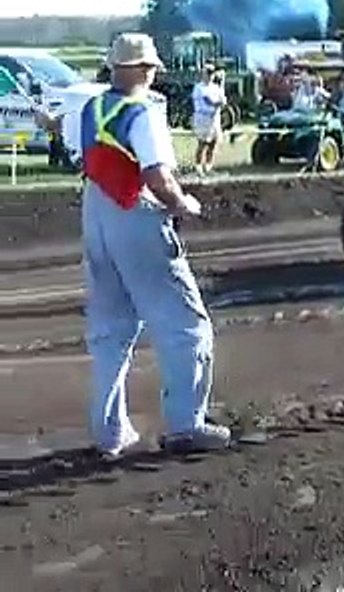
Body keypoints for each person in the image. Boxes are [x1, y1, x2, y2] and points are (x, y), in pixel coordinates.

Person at [75, 32, 230, 459]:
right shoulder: (144, 112)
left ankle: (109, 434)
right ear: (146, 69)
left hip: (96, 215)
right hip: (135, 216)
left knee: (111, 330)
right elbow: (157, 178)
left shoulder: (92, 107)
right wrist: (186, 204)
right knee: (185, 324)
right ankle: (186, 424)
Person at [191, 66, 225, 175]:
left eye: (212, 73)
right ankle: (198, 168)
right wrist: (219, 103)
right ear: (203, 74)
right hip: (203, 117)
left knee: (213, 143)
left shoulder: (216, 87)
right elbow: (208, 101)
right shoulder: (199, 87)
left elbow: (222, 100)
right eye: (208, 73)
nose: (210, 75)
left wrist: (221, 102)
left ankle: (208, 167)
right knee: (203, 143)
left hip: (214, 118)